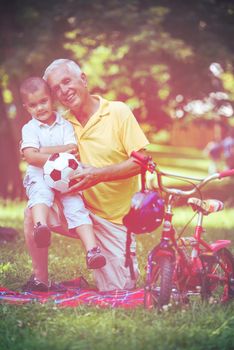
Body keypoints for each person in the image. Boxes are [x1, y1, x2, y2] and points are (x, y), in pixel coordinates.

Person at [24, 59, 149, 292]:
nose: (64, 91)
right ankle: (40, 279)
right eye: (56, 88)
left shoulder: (118, 112)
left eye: (67, 81)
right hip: (78, 209)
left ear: (83, 78)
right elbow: (34, 154)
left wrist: (98, 175)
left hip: (115, 221)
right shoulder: (61, 123)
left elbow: (140, 163)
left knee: (120, 288)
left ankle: (108, 256)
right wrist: (34, 153)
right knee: (34, 211)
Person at [20, 77, 106, 292]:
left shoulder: (65, 125)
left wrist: (42, 151)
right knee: (40, 195)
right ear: (26, 107)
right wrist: (57, 152)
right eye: (33, 105)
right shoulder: (29, 129)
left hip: (65, 177)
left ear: (51, 100)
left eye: (43, 101)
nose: (40, 108)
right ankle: (41, 227)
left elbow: (72, 149)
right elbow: (31, 158)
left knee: (76, 207)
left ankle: (92, 250)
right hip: (40, 176)